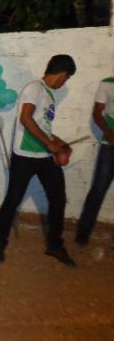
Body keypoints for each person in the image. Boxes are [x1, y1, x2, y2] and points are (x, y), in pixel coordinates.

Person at [0, 54, 77, 267]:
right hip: (25, 156)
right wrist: (50, 144)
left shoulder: (48, 94)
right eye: (66, 78)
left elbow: (44, 128)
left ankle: (55, 245)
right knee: (13, 201)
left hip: (44, 157)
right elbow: (26, 118)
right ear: (62, 74)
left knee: (58, 199)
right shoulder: (34, 88)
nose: (64, 83)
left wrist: (60, 143)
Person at [76, 76, 114, 246]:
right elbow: (97, 112)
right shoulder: (107, 83)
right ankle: (83, 233)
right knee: (98, 189)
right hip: (110, 145)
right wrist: (108, 132)